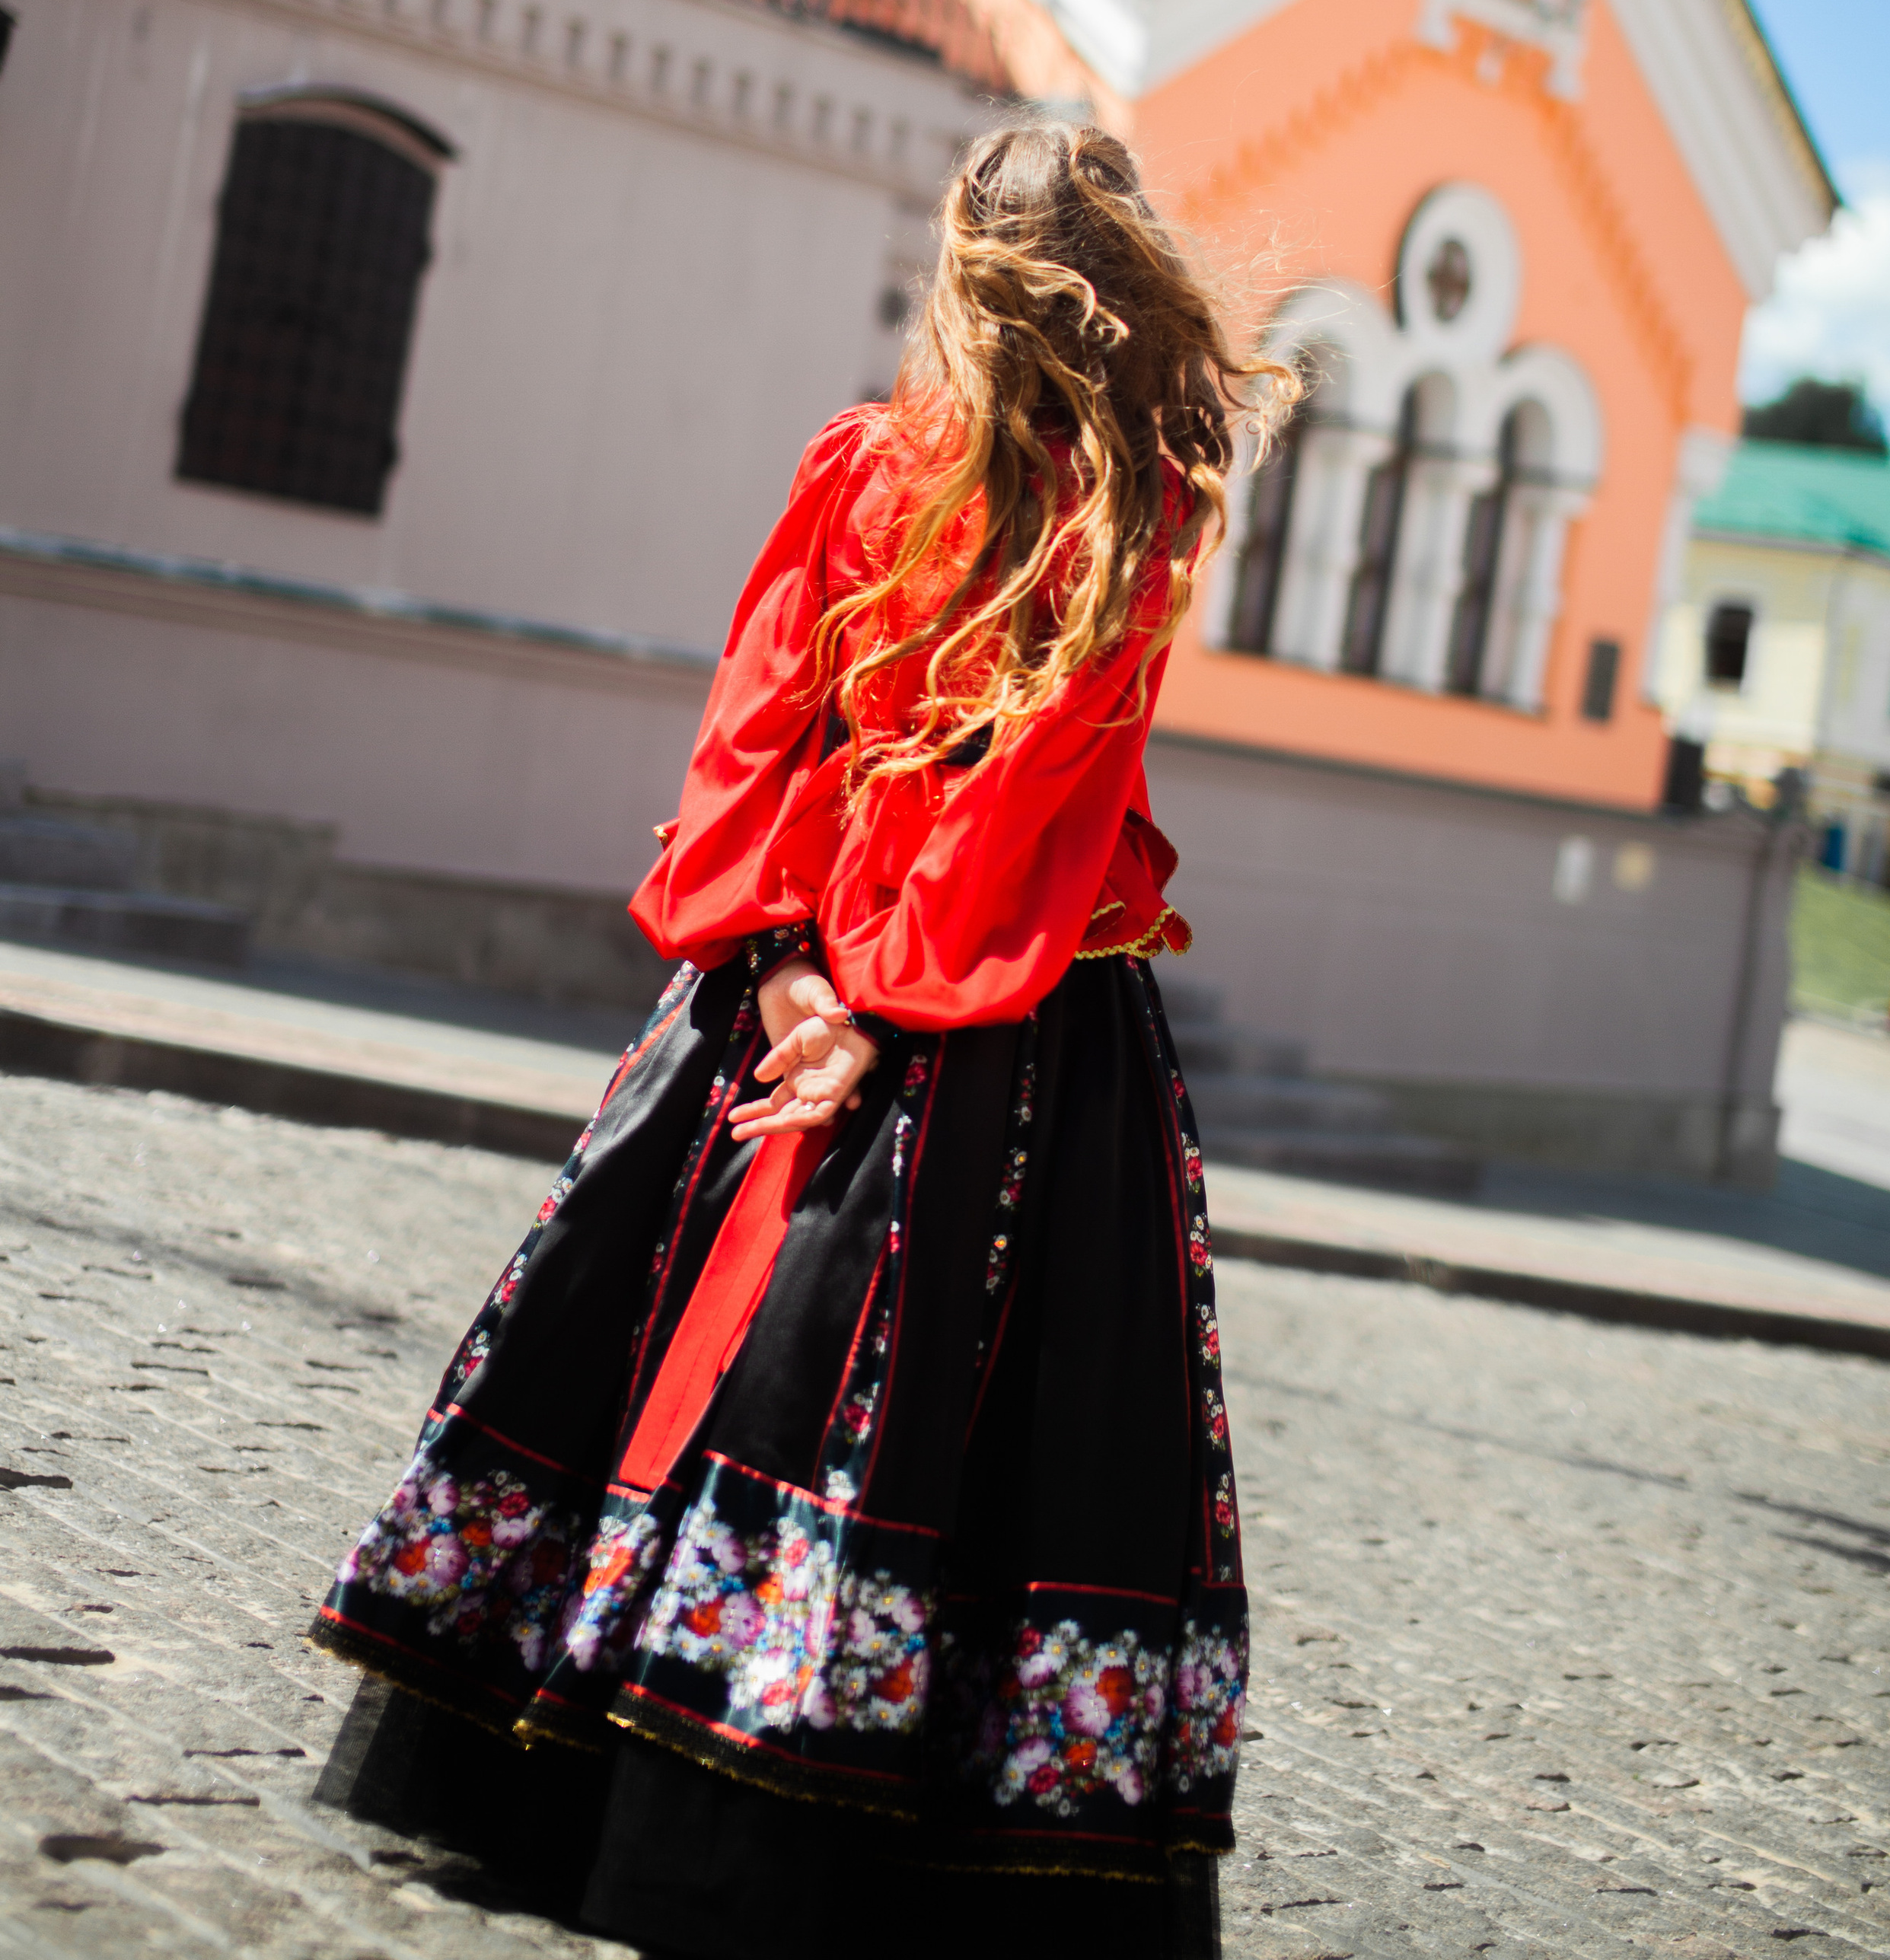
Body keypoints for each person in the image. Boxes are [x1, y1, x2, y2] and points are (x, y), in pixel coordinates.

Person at [310, 121, 1295, 1960]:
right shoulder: (1139, 509)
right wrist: (879, 1006)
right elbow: (1023, 806)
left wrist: (789, 980)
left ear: (962, 273)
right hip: (1000, 1025)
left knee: (687, 1351)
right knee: (952, 1427)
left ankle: (570, 1774)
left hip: (807, 980)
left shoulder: (869, 462)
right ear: (1125, 280)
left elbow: (753, 728)